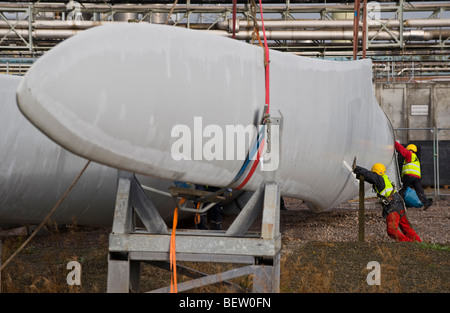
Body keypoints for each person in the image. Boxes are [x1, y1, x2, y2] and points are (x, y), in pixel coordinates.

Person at [353, 163, 421, 242]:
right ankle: (419, 244)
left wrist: (356, 169)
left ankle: (408, 243)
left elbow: (369, 175)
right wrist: (358, 175)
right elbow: (370, 178)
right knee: (406, 228)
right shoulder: (384, 179)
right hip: (399, 204)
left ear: (375, 172)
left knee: (391, 231)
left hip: (393, 208)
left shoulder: (379, 179)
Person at [394, 141, 432, 210]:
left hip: (408, 175)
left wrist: (394, 143)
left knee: (402, 190)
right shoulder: (415, 158)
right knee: (419, 191)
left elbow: (401, 149)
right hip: (416, 177)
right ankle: (426, 202)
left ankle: (400, 205)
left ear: (410, 149)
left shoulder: (409, 155)